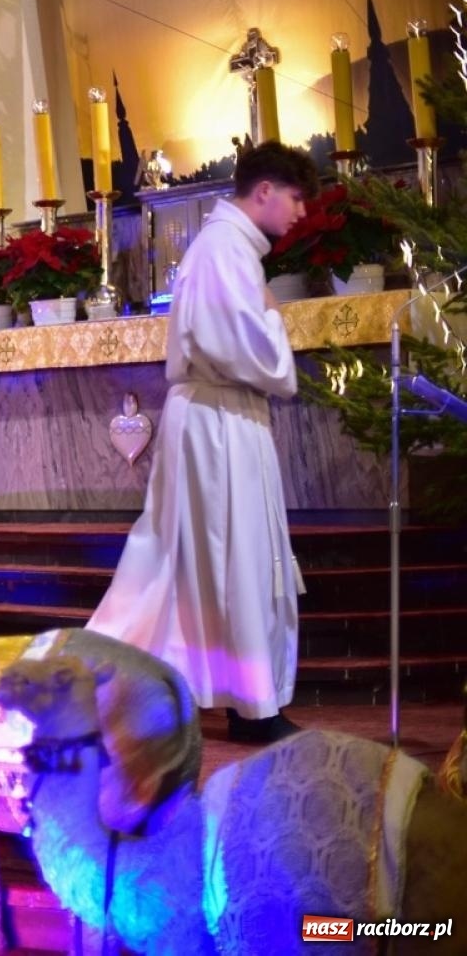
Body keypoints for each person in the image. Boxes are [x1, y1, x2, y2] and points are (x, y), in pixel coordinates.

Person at [87, 140, 316, 744]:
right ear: (264, 190)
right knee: (216, 559)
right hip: (216, 423)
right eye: (295, 199)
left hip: (226, 417)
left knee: (215, 562)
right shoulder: (222, 250)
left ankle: (246, 699)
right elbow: (240, 348)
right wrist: (273, 318)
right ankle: (108, 682)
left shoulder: (234, 248)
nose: (300, 214)